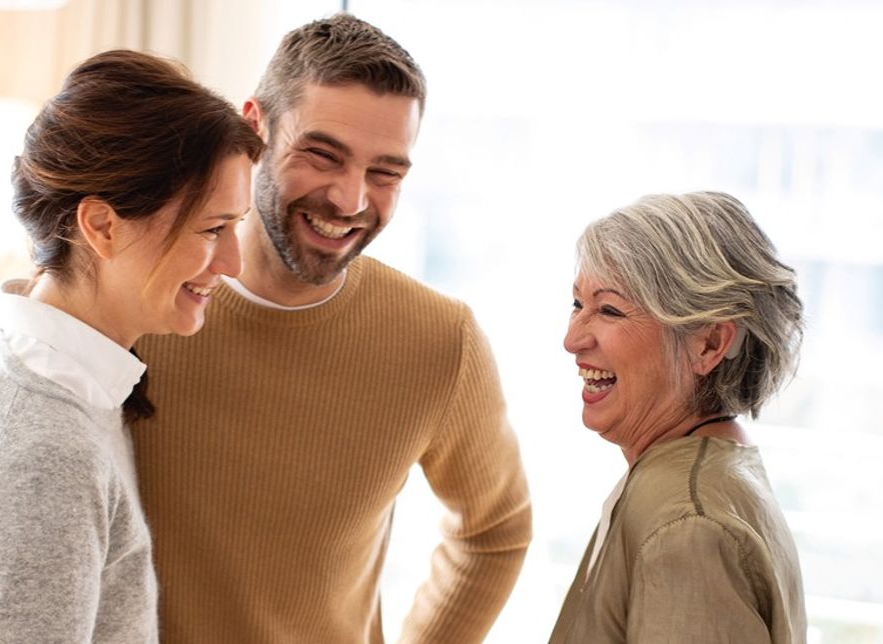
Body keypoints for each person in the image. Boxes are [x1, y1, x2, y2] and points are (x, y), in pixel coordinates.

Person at [129, 13, 532, 643]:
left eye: (385, 173)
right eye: (323, 156)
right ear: (255, 128)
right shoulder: (140, 305)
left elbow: (496, 530)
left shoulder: (438, 340)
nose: (350, 200)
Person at [0, 50, 263, 642]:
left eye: (236, 226)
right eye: (211, 229)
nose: (232, 263)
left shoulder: (27, 355)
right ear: (102, 227)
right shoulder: (43, 450)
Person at [549, 191, 806, 643]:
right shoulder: (706, 474)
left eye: (609, 309)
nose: (573, 339)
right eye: (577, 304)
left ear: (708, 344)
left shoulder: (687, 527)